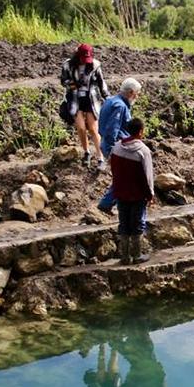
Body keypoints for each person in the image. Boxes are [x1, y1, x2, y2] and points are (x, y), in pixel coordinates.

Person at [109, 118, 155, 265]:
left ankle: (124, 256)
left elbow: (113, 166)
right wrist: (150, 194)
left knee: (124, 223)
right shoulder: (143, 151)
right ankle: (136, 255)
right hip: (138, 194)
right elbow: (148, 176)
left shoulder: (117, 147)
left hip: (121, 191)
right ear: (141, 131)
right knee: (137, 223)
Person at [96, 78, 143, 213]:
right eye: (137, 94)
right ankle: (107, 203)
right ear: (131, 92)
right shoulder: (120, 106)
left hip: (109, 144)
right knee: (125, 177)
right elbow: (112, 130)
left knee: (124, 176)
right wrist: (112, 151)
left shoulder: (110, 100)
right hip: (117, 147)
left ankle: (111, 203)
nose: (137, 97)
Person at [59, 43, 109, 168]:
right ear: (78, 56)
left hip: (91, 99)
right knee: (81, 128)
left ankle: (100, 157)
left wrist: (107, 97)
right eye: (83, 59)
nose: (85, 62)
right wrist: (73, 84)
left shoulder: (95, 65)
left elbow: (101, 83)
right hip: (75, 98)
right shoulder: (68, 65)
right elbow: (63, 81)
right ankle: (86, 152)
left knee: (93, 129)